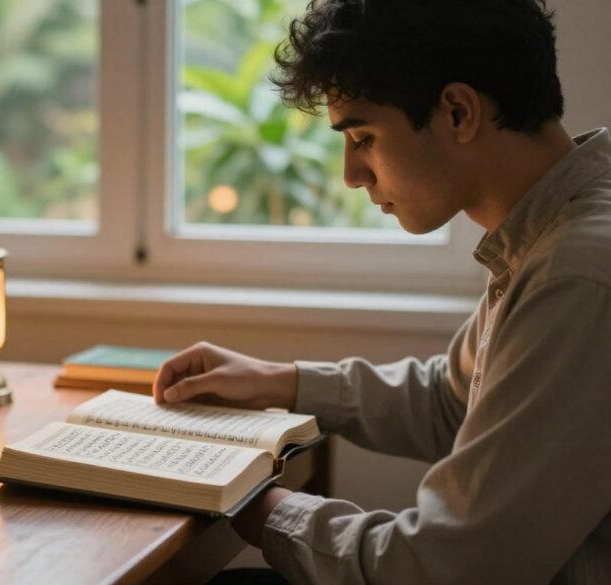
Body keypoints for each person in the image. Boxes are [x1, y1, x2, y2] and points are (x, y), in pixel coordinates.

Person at [154, 1, 611, 584]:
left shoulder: (577, 277)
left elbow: (449, 567)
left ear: (457, 111)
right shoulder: (551, 236)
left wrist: (257, 503)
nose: (351, 174)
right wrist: (281, 381)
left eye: (363, 137)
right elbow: (454, 401)